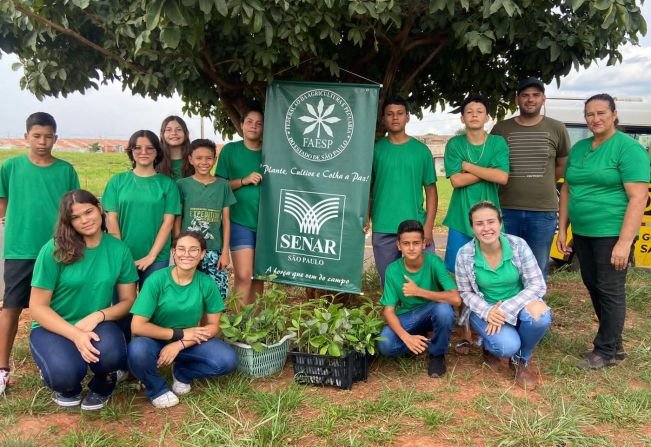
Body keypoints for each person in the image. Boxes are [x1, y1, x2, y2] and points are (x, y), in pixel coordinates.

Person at [557, 94, 649, 370]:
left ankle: (606, 350)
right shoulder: (580, 147)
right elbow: (568, 189)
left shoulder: (628, 149)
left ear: (614, 114)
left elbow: (638, 197)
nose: (595, 119)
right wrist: (563, 229)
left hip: (611, 232)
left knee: (610, 289)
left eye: (601, 113)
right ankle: (614, 343)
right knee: (593, 285)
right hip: (583, 232)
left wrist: (624, 242)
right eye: (589, 114)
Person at [29, 190, 138, 410]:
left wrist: (100, 315)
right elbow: (37, 307)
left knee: (112, 354)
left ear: (99, 209)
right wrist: (76, 335)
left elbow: (128, 300)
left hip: (95, 322)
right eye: (75, 217)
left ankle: (104, 382)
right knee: (65, 373)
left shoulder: (119, 249)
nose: (85, 220)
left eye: (88, 212)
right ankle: (67, 384)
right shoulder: (54, 249)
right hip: (53, 326)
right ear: (68, 222)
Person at [0, 112, 80, 394]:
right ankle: (2, 368)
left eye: (48, 136)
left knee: (57, 305)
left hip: (59, 248)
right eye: (36, 136)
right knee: (11, 306)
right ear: (26, 137)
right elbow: (4, 204)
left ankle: (62, 357)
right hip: (20, 248)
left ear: (56, 138)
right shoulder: (10, 167)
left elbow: (74, 209)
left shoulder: (66, 170)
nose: (42, 142)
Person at [127, 231, 237, 409]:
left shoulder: (206, 283)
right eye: (181, 249)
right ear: (173, 252)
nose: (186, 254)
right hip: (154, 339)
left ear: (202, 254)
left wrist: (179, 343)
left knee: (227, 360)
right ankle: (157, 389)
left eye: (193, 250)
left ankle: (183, 372)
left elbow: (213, 326)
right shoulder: (156, 280)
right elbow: (137, 326)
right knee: (137, 351)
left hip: (189, 340)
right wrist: (178, 334)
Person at [456, 201, 551, 389]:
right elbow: (465, 292)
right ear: (472, 227)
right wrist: (489, 311)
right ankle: (491, 344)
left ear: (500, 223)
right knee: (506, 346)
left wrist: (502, 312)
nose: (486, 228)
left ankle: (520, 361)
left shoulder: (518, 245)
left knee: (540, 315)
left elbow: (537, 284)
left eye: (491, 222)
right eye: (479, 223)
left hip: (518, 304)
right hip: (484, 310)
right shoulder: (465, 254)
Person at [491, 77, 571, 278]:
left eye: (536, 95)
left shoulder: (557, 128)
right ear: (517, 100)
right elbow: (491, 165)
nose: (530, 99)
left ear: (543, 99)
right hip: (506, 208)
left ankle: (535, 308)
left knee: (537, 265)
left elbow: (562, 164)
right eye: (525, 95)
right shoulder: (501, 129)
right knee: (505, 263)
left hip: (543, 211)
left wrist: (541, 181)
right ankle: (507, 307)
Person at [366, 96, 438, 286]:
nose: (395, 118)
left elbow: (431, 191)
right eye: (389, 114)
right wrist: (366, 216)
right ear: (383, 119)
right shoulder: (374, 151)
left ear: (407, 117)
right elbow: (368, 189)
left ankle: (426, 315)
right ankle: (393, 316)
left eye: (400, 113)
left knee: (425, 282)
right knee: (390, 284)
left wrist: (428, 227)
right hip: (383, 227)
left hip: (417, 228)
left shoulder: (421, 151)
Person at [377, 220, 460, 378]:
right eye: (406, 243)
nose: (411, 248)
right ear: (398, 245)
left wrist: (419, 291)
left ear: (423, 244)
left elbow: (455, 299)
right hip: (410, 315)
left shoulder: (434, 262)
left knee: (444, 310)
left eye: (416, 243)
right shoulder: (393, 270)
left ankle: (437, 354)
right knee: (385, 345)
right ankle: (418, 341)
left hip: (433, 310)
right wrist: (405, 337)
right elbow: (388, 311)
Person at [102, 130, 181, 289]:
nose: (143, 152)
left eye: (149, 148)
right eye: (137, 148)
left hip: (157, 257)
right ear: (131, 151)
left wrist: (151, 256)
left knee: (151, 308)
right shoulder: (117, 181)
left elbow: (168, 223)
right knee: (122, 307)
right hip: (122, 255)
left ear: (157, 151)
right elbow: (112, 220)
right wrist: (121, 255)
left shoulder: (168, 184)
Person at [443, 94, 509, 273]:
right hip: (460, 216)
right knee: (456, 268)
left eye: (479, 111)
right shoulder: (455, 144)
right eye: (469, 112)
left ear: (487, 117)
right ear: (462, 118)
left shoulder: (497, 143)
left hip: (490, 217)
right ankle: (458, 302)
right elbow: (457, 181)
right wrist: (489, 171)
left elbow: (502, 177)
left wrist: (468, 166)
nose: (474, 115)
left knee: (490, 266)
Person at [215, 105, 264, 306]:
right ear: (242, 125)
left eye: (259, 124)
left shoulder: (271, 153)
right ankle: (239, 327)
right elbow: (219, 186)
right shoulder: (230, 150)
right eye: (249, 122)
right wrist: (243, 180)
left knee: (260, 277)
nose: (254, 126)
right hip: (239, 220)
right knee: (244, 276)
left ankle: (257, 326)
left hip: (266, 224)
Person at [175, 139, 236, 299]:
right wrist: (176, 247)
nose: (204, 162)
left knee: (215, 296)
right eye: (199, 158)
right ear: (190, 159)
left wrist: (225, 253)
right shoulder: (182, 185)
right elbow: (178, 219)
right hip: (188, 251)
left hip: (214, 251)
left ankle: (211, 325)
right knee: (188, 295)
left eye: (208, 158)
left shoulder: (223, 185)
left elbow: (226, 221)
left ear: (215, 159)